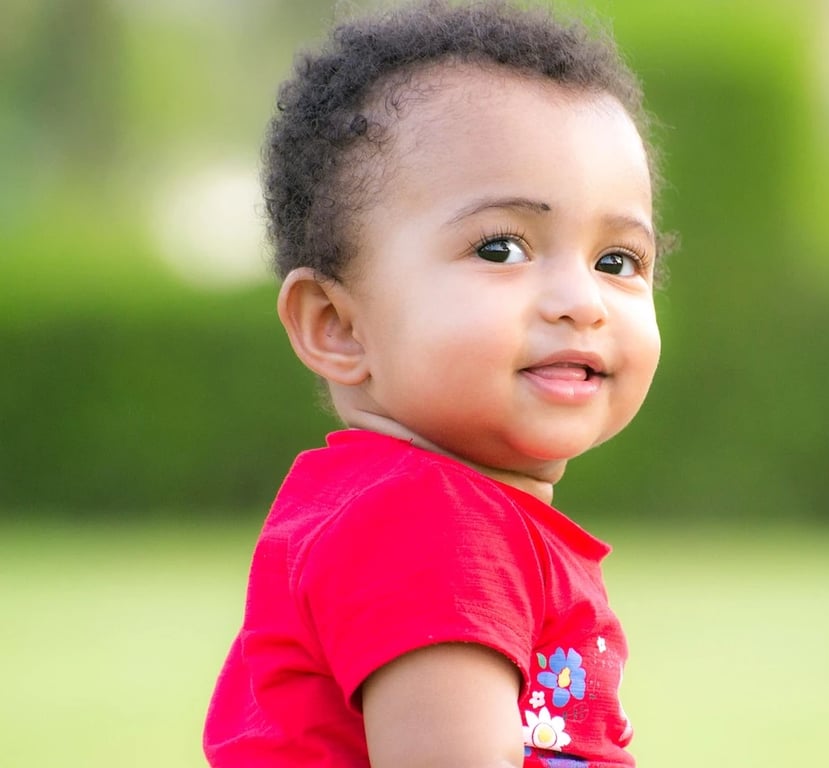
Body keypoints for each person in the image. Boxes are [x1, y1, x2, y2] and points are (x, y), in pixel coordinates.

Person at [204, 1, 670, 765]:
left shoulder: (415, 508)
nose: (581, 302)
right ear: (337, 325)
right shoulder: (429, 527)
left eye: (617, 261)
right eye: (501, 248)